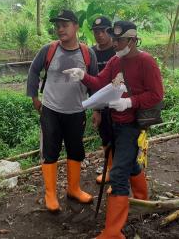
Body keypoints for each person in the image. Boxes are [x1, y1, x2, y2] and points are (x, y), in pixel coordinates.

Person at [64, 21, 164, 239]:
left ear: (132, 40)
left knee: (118, 173)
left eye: (119, 40)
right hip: (113, 121)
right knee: (126, 163)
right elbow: (100, 82)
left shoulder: (146, 62)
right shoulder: (115, 61)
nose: (115, 44)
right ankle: (142, 196)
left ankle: (113, 232)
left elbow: (156, 94)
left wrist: (130, 102)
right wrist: (83, 76)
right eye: (115, 40)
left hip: (131, 124)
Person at [26, 9, 98, 212]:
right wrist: (34, 97)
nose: (60, 29)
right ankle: (50, 193)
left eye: (64, 25)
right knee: (50, 151)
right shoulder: (48, 50)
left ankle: (73, 189)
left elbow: (95, 81)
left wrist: (97, 109)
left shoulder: (87, 53)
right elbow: (33, 70)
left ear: (75, 26)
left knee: (76, 150)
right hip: (51, 110)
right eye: (57, 26)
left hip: (76, 111)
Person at [91, 16, 116, 184]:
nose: (99, 35)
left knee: (122, 138)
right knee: (105, 138)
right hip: (101, 104)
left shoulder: (117, 50)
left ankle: (121, 172)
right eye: (96, 32)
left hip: (119, 102)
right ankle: (110, 170)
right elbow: (92, 81)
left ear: (111, 32)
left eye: (103, 31)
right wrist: (96, 109)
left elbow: (123, 78)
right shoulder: (91, 52)